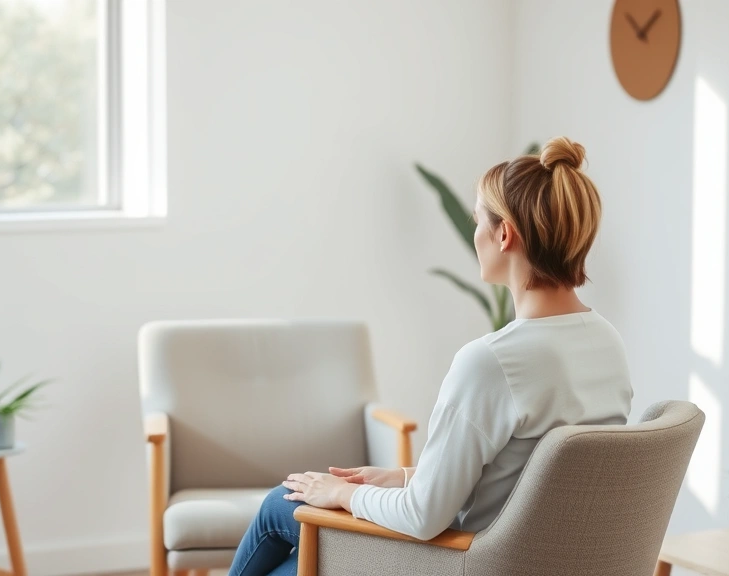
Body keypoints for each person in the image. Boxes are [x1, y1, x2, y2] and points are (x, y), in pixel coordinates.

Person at [227, 137, 634, 576]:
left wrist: (342, 495)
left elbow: (424, 518)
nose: (475, 231)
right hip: (542, 561)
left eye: (478, 219)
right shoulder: (607, 343)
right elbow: (522, 479)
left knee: (278, 506)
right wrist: (404, 476)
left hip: (463, 563)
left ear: (503, 234)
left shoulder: (493, 362)